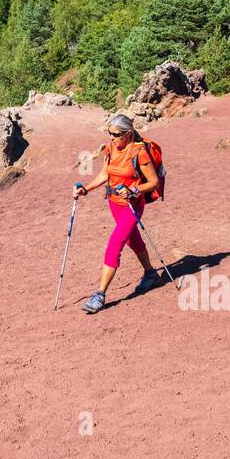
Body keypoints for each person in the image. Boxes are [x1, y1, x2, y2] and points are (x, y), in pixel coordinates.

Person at [72, 113, 166, 313]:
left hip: (133, 204)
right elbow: (105, 174)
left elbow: (153, 182)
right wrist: (86, 189)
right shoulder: (111, 148)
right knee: (133, 239)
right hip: (114, 202)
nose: (112, 137)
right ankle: (150, 274)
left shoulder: (138, 152)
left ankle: (99, 294)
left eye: (115, 134)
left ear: (128, 134)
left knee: (115, 242)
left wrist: (133, 190)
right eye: (109, 133)